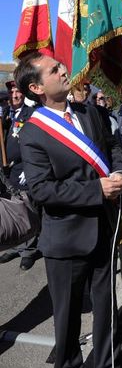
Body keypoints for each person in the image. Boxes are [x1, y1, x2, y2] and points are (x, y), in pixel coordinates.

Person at [15, 52, 122, 368]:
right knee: (66, 317)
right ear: (36, 87)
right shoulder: (31, 133)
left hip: (104, 231)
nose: (64, 70)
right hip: (65, 239)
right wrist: (98, 190)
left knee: (107, 309)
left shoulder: (88, 112)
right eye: (54, 70)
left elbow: (114, 146)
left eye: (60, 65)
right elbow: (43, 190)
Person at [0, 77, 42, 270]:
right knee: (13, 206)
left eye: (17, 92)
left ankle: (29, 250)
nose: (14, 95)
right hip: (9, 170)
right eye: (11, 93)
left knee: (27, 207)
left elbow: (34, 144)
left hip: (24, 168)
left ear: (23, 94)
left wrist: (28, 168)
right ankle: (17, 246)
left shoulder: (30, 114)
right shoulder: (7, 114)